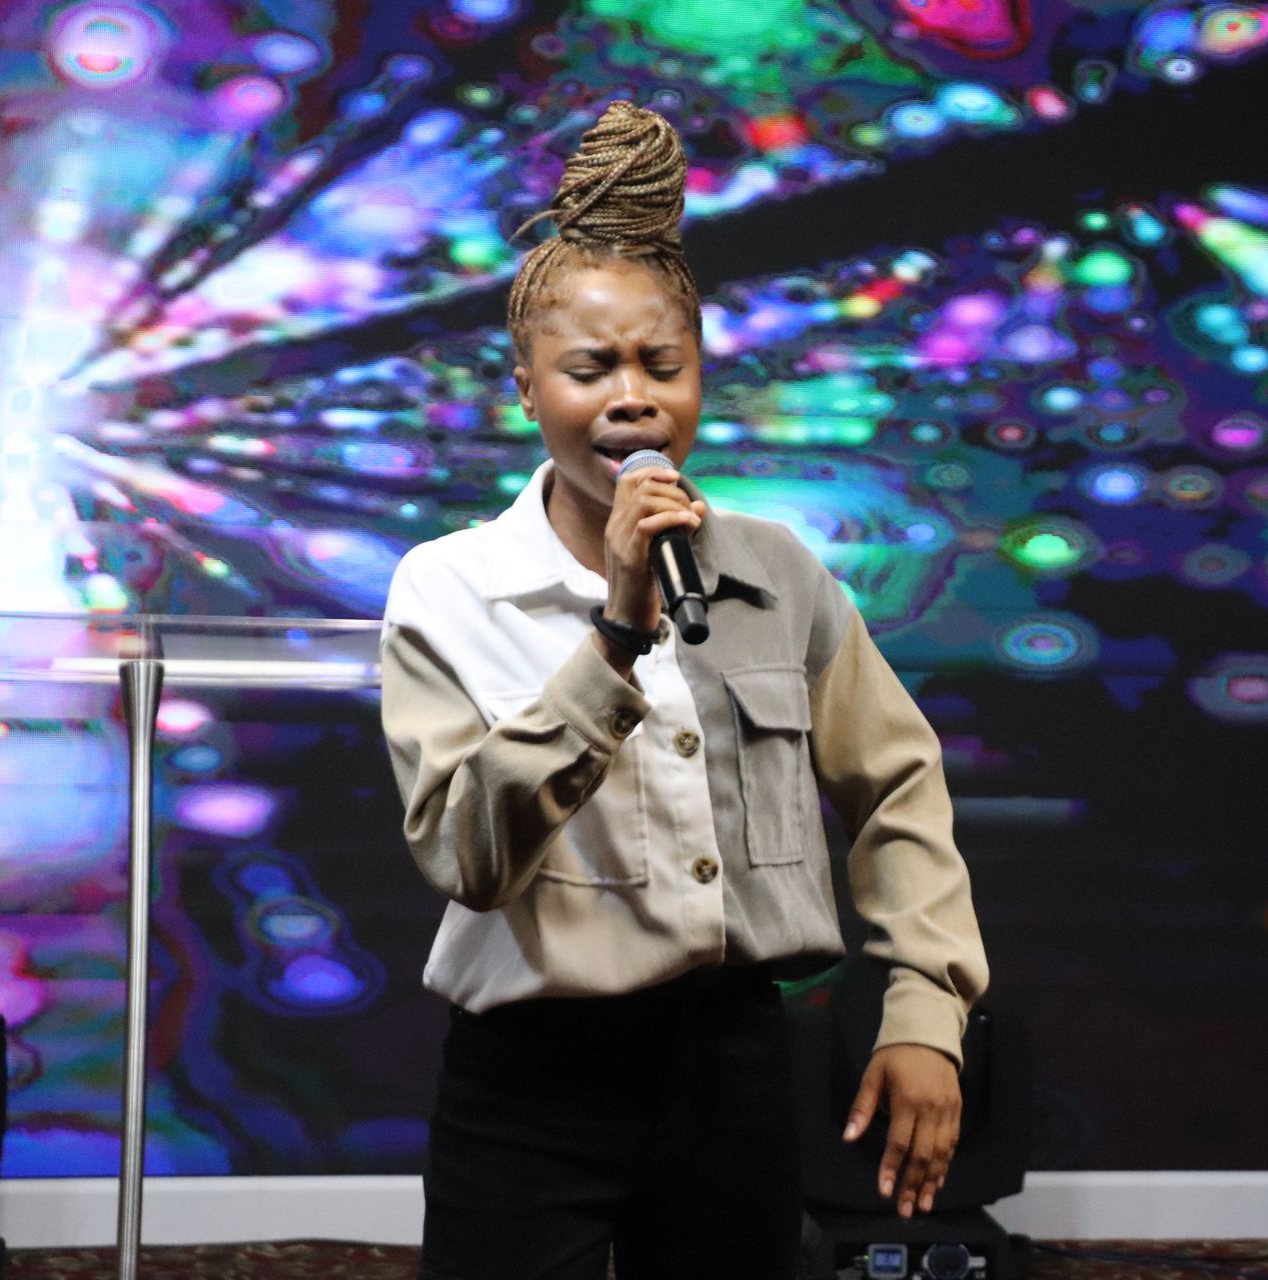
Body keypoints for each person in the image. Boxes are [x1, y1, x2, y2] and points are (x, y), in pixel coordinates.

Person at [379, 100, 989, 1280]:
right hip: (530, 1074)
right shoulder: (450, 586)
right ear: (525, 388)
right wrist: (613, 637)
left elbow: (897, 788)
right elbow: (467, 854)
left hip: (731, 1061)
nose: (632, 397)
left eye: (664, 363)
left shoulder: (777, 572)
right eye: (589, 366)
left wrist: (926, 1010)